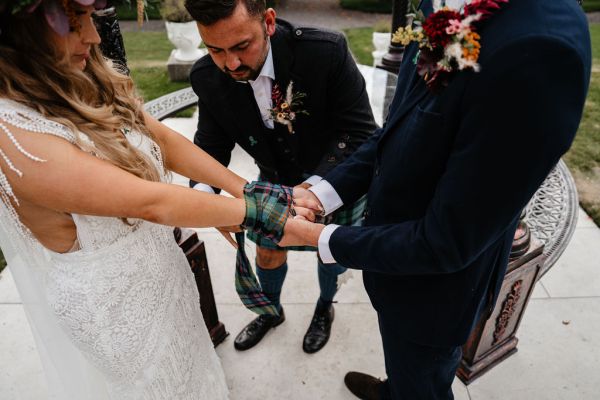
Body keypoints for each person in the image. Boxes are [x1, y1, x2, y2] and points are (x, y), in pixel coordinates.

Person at [282, 0, 592, 398]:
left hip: (433, 298)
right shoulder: (447, 4)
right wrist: (322, 193)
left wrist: (319, 238)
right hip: (394, 268)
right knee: (404, 370)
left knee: (424, 381)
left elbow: (447, 241)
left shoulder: (539, 53)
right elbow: (400, 128)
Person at [0, 1, 309, 398]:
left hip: (162, 273)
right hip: (113, 310)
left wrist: (241, 188)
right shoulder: (15, 138)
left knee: (196, 371)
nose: (94, 37)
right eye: (76, 25)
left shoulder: (80, 76)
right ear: (23, 35)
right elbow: (151, 202)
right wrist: (260, 212)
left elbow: (162, 140)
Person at [184, 0, 377, 353]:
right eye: (215, 49)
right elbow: (210, 146)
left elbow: (361, 132)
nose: (231, 63)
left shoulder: (325, 51)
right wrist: (205, 200)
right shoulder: (207, 78)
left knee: (330, 256)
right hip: (273, 179)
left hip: (339, 180)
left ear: (269, 22)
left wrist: (314, 190)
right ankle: (270, 311)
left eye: (242, 46)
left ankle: (324, 308)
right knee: (268, 254)